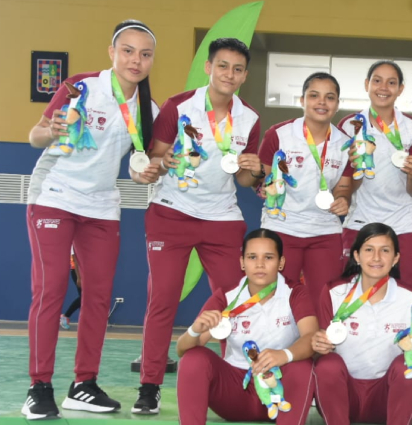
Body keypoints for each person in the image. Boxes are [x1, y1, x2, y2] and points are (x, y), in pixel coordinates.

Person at [22, 19, 159, 420]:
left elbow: (137, 165)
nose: (136, 60)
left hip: (101, 207)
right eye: (128, 50)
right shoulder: (80, 87)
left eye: (145, 54)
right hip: (55, 196)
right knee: (50, 291)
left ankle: (83, 384)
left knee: (98, 297)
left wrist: (144, 173)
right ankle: (38, 386)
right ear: (112, 53)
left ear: (152, 60)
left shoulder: (147, 110)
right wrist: (52, 130)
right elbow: (35, 135)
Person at [134, 38, 264, 415]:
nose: (230, 74)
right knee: (162, 300)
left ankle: (240, 377)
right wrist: (166, 158)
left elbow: (242, 181)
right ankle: (150, 384)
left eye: (238, 69)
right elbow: (154, 157)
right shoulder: (179, 106)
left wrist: (250, 169)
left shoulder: (250, 118)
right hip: (172, 212)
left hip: (222, 217)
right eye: (223, 66)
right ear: (209, 67)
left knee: (236, 303)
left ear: (245, 75)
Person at [175, 229, 317, 424]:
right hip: (235, 390)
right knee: (194, 358)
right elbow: (182, 349)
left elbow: (311, 337)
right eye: (252, 257)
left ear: (281, 262)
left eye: (268, 257)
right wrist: (195, 329)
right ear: (242, 262)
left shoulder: (295, 293)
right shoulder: (226, 296)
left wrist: (284, 355)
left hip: (279, 388)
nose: (259, 264)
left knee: (303, 365)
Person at [312, 223, 412, 425]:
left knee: (409, 365)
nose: (376, 258)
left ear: (396, 258)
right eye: (369, 250)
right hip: (345, 395)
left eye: (385, 250)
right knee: (327, 365)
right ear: (356, 255)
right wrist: (318, 345)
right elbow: (320, 345)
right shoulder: (333, 292)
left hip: (387, 397)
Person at [258, 72, 353, 305]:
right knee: (277, 300)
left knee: (324, 301)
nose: (322, 102)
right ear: (302, 100)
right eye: (314, 95)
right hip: (281, 226)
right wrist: (263, 185)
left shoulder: (345, 144)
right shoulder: (279, 134)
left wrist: (342, 199)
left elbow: (343, 187)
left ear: (337, 104)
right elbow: (260, 177)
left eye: (329, 97)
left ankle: (317, 342)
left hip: (324, 232)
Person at [337, 61, 412, 289]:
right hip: (361, 220)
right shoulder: (348, 126)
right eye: (377, 80)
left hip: (404, 223)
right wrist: (356, 168)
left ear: (400, 89)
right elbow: (344, 185)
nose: (383, 87)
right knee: (353, 290)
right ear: (367, 84)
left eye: (391, 82)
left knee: (404, 292)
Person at [60, 248, 81, 330]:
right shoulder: (74, 245)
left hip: (84, 271)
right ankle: (66, 316)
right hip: (76, 272)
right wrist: (79, 278)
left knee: (85, 298)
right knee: (84, 296)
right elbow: (75, 260)